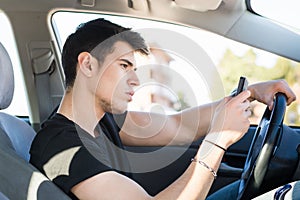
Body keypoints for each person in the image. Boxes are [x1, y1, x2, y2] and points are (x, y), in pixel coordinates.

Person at [29, 18, 296, 200]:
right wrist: (217, 140)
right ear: (87, 65)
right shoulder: (61, 148)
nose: (135, 79)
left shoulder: (105, 120)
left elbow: (177, 125)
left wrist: (250, 94)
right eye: (124, 66)